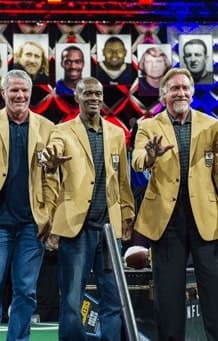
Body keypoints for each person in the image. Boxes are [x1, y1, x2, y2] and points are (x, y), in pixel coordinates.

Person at [43, 77, 135, 341]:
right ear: (77, 98)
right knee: (72, 298)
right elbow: (52, 157)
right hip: (76, 228)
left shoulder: (117, 133)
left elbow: (122, 178)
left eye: (98, 93)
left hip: (109, 230)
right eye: (88, 94)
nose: (94, 97)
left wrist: (127, 213)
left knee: (113, 298)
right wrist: (50, 160)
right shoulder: (62, 131)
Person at [132, 67, 218, 340]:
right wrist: (150, 156)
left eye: (185, 88)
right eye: (174, 88)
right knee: (168, 300)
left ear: (192, 93)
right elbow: (136, 160)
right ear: (163, 94)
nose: (180, 92)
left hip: (205, 219)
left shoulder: (211, 125)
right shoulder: (148, 126)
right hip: (165, 222)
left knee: (215, 296)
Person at [0, 69, 59, 340]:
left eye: (24, 90)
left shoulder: (48, 129)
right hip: (0, 224)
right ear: (3, 93)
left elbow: (54, 179)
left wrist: (48, 216)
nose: (20, 95)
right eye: (14, 90)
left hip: (30, 225)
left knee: (25, 290)